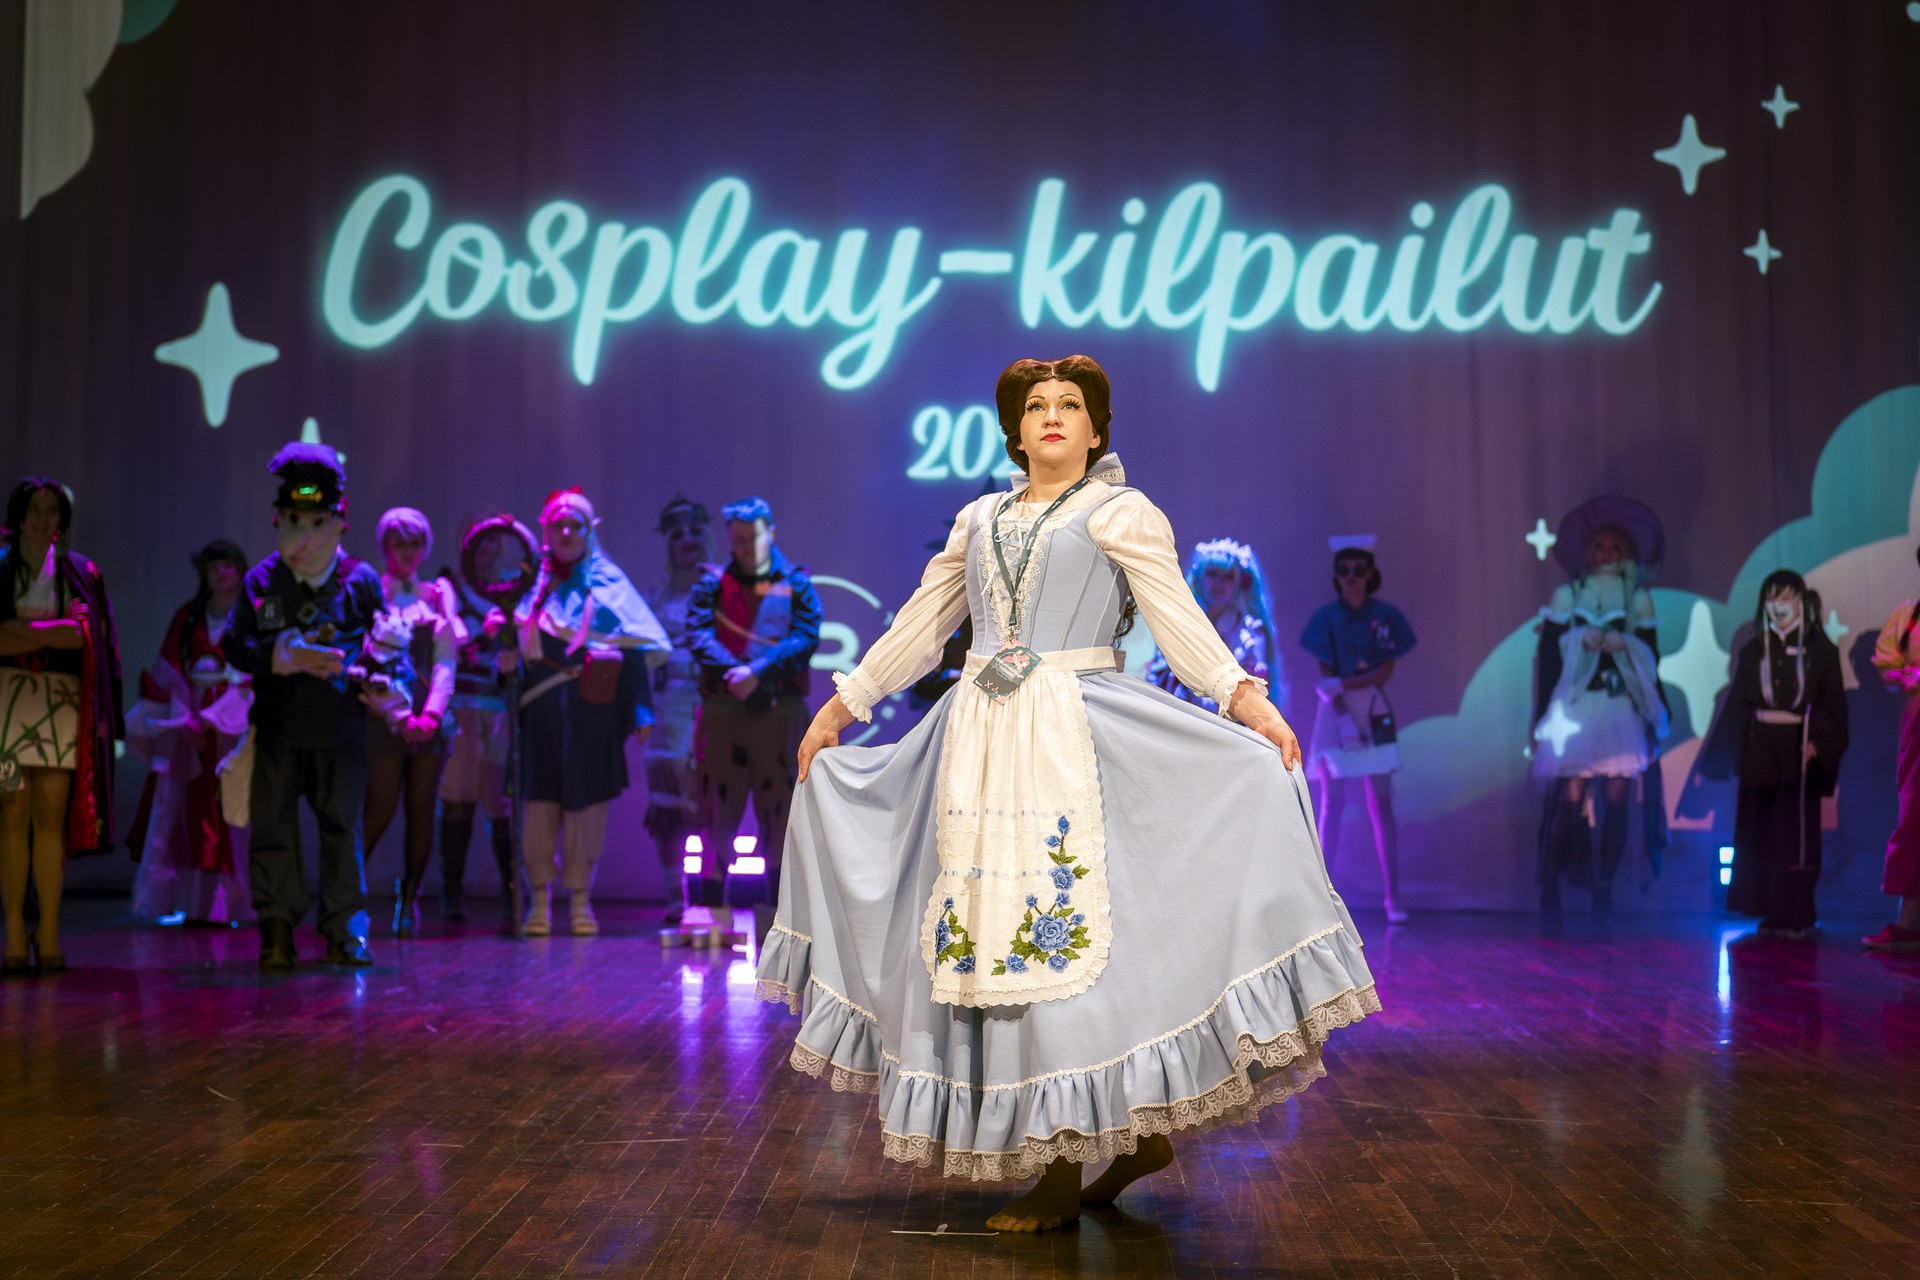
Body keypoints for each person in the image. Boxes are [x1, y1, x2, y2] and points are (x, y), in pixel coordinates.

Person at [756, 355, 1378, 1233]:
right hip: (979, 740)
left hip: (1072, 736)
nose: (1052, 415)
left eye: (1071, 404)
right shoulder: (980, 518)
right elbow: (923, 623)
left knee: (1059, 933)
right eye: (1036, 405)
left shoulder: (1120, 511)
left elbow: (1178, 619)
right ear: (1015, 431)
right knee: (992, 936)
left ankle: (1060, 1162)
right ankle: (1126, 1143)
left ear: (1095, 429)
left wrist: (1247, 701)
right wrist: (840, 708)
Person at [224, 443, 387, 970]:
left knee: (342, 828)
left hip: (340, 729)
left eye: (317, 522)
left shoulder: (360, 581)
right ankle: (276, 927)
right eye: (294, 521)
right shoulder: (261, 581)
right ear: (278, 517)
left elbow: (386, 646)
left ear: (339, 521)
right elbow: (235, 645)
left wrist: (383, 680)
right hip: (279, 727)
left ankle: (345, 928)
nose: (304, 537)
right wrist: (281, 654)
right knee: (273, 828)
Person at [508, 488, 669, 936]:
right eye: (557, 525)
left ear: (589, 531)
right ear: (545, 530)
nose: (565, 533)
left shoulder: (609, 586)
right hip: (539, 715)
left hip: (591, 717)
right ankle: (539, 901)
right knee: (538, 807)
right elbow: (511, 643)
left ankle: (581, 900)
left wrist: (640, 710)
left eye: (574, 526)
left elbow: (631, 648)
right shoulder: (528, 587)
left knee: (587, 810)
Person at [0, 478, 124, 975]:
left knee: (49, 818)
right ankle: (14, 931)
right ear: (18, 513)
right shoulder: (2, 567)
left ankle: (48, 929)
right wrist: (52, 633)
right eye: (34, 508)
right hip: (5, 710)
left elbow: (84, 636)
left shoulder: (78, 572)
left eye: (51, 509)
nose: (42, 518)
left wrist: (19, 630)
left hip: (59, 708)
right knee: (11, 817)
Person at [1531, 498, 1670, 922]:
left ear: (1625, 553)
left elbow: (1653, 658)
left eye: (1614, 547)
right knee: (1568, 799)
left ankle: (1604, 889)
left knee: (1617, 798)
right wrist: (1577, 642)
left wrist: (1625, 644)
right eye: (1598, 546)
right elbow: (1549, 659)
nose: (1606, 554)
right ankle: (1553, 886)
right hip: (1577, 709)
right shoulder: (1568, 595)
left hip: (1618, 709)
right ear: (1586, 552)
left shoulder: (1637, 598)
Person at [685, 496, 822, 904]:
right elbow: (696, 634)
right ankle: (712, 913)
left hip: (778, 713)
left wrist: (757, 671)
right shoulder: (711, 583)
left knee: (781, 811)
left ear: (770, 534)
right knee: (714, 809)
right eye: (738, 539)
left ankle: (779, 918)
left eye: (753, 537)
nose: (745, 547)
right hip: (723, 712)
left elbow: (806, 637)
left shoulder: (795, 583)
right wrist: (735, 672)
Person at [1698, 573, 1847, 938]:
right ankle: (1768, 911)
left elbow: (1832, 703)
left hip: (1799, 749)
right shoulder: (1755, 650)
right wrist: (1718, 762)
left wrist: (1820, 744)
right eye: (1772, 598)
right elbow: (1738, 706)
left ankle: (1798, 914)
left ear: (1801, 602)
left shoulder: (1820, 650)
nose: (1779, 606)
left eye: (1787, 598)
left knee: (1794, 833)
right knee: (1759, 832)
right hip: (1762, 750)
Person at [126, 539, 254, 924]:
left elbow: (254, 669)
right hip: (189, 717)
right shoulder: (188, 616)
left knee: (228, 808)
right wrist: (189, 719)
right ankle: (187, 902)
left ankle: (227, 904)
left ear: (240, 569)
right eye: (213, 567)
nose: (221, 573)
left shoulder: (251, 613)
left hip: (233, 718)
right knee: (179, 811)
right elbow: (168, 668)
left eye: (227, 565)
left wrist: (217, 716)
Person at [1298, 537, 1415, 922]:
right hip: (1334, 712)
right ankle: (1322, 898)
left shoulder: (1385, 616)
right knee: (1331, 803)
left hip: (1373, 708)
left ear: (1370, 573)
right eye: (1344, 570)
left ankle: (1393, 897)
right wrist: (1342, 710)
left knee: (1381, 802)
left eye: (1359, 570)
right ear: (1336, 574)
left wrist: (1346, 684)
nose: (1352, 577)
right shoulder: (1326, 618)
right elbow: (1325, 678)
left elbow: (1385, 670)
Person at [363, 507, 460, 935]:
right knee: (379, 806)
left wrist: (431, 713)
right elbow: (367, 661)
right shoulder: (371, 593)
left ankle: (410, 897)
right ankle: (346, 893)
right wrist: (399, 715)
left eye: (414, 543)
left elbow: (445, 662)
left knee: (422, 808)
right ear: (385, 546)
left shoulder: (435, 595)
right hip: (383, 714)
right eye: (398, 543)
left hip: (429, 716)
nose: (407, 551)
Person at [437, 511, 528, 933]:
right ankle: (451, 892)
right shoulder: (450, 588)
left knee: (501, 804)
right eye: (478, 541)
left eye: (492, 541)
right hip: (460, 706)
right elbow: (443, 644)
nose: (485, 549)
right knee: (456, 798)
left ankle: (512, 892)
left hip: (498, 709)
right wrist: (480, 634)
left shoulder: (512, 588)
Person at [642, 496, 715, 923]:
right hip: (665, 710)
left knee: (706, 805)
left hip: (709, 708)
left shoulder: (723, 590)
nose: (687, 539)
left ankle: (707, 895)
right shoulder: (655, 598)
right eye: (677, 534)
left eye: (694, 531)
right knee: (667, 807)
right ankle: (676, 896)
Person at [1148, 536, 1284, 712]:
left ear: (1239, 583)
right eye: (1212, 574)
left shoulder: (1251, 634)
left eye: (1228, 577)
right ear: (1199, 577)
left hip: (1230, 721)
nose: (1219, 584)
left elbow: (1256, 696)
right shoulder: (1180, 620)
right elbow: (1158, 676)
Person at [1867, 553, 1920, 951]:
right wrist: (1906, 674)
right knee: (1914, 819)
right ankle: (1907, 923)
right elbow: (1887, 668)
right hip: (1917, 728)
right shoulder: (1908, 614)